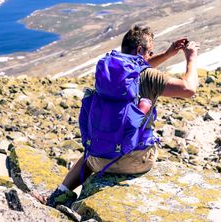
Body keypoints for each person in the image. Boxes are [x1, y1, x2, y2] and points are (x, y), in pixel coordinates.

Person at [41, 25, 199, 208]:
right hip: (134, 161)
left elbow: (138, 69)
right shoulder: (149, 76)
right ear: (140, 50)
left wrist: (168, 53)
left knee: (88, 154)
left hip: (98, 160)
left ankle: (59, 195)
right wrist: (191, 58)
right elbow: (189, 89)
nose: (150, 57)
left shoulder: (107, 71)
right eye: (150, 52)